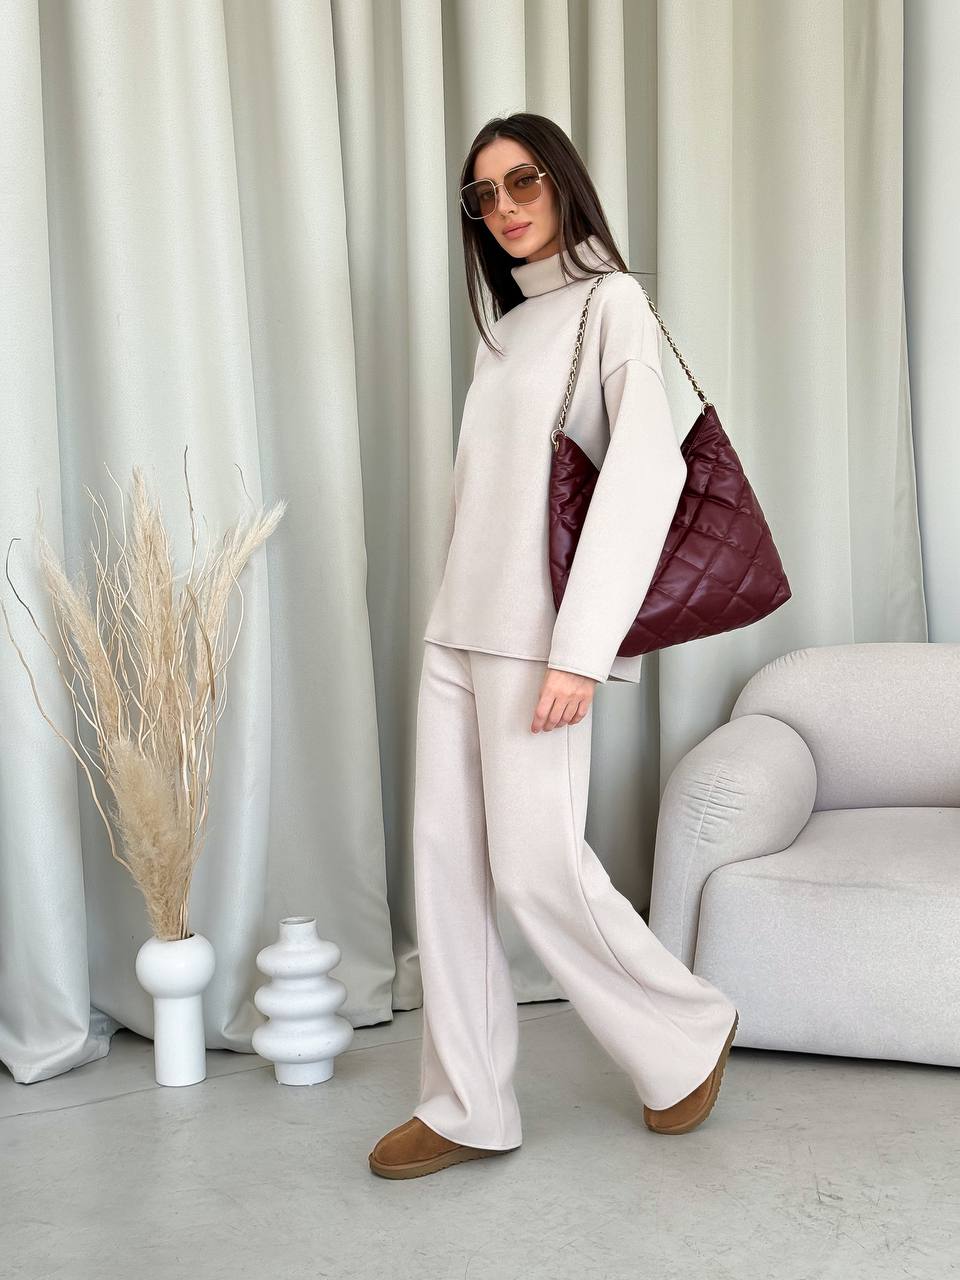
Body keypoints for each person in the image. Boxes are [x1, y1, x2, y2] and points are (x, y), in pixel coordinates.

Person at [369, 112, 738, 1180]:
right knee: (447, 868)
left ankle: (684, 1029)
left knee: (537, 868)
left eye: (523, 179)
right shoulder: (506, 331)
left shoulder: (611, 303)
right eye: (483, 195)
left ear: (563, 180)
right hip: (457, 628)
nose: (505, 206)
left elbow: (645, 474)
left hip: (538, 641)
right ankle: (466, 1103)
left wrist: (581, 650)